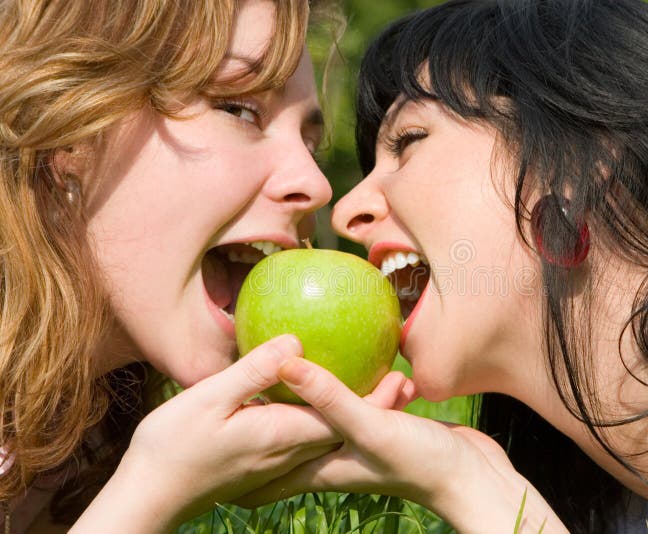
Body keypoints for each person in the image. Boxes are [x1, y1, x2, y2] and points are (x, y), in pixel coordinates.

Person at [231, 1, 648, 532]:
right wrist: (464, 479)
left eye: (409, 140)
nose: (349, 207)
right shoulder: (621, 505)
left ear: (576, 166)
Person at [0, 0, 417, 531]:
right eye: (239, 109)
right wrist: (150, 494)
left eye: (310, 143)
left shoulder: (88, 430)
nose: (316, 185)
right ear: (68, 130)